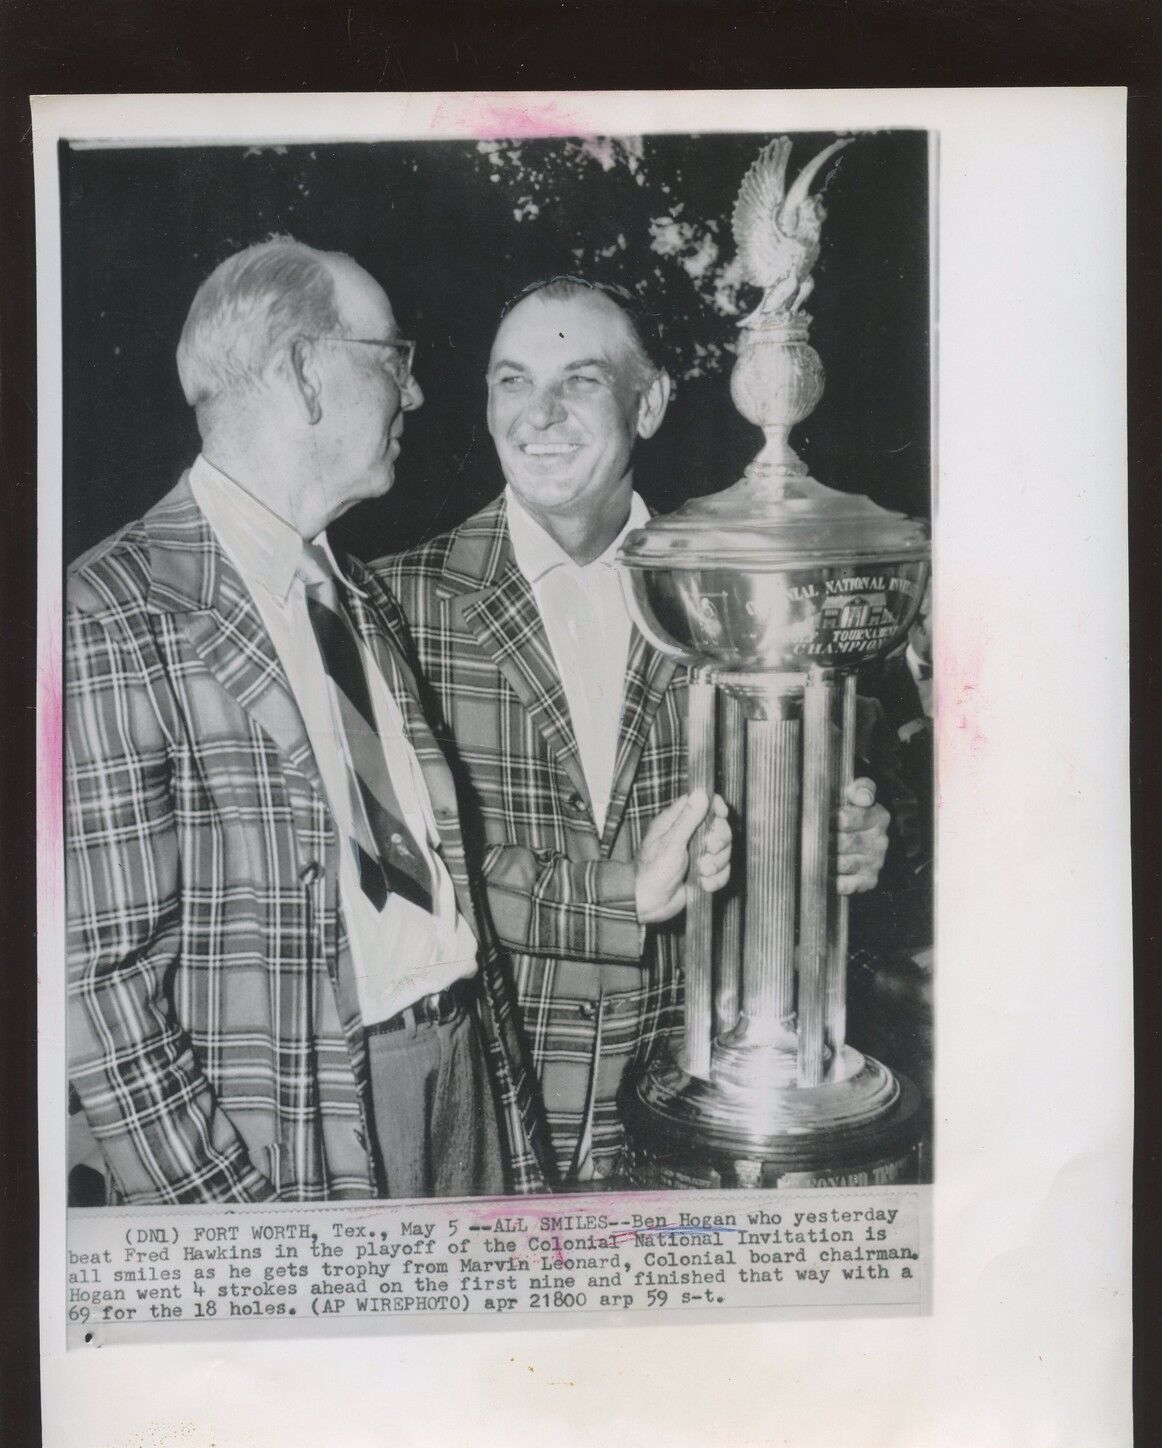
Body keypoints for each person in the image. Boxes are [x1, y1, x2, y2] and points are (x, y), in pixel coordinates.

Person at [66, 237, 556, 1204]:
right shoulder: (110, 610)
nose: (413, 397)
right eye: (393, 360)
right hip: (300, 1133)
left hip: (465, 1080)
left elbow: (431, 871)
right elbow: (98, 988)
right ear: (305, 372)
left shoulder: (353, 594)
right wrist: (230, 1225)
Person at [377, 277, 890, 1185]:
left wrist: (852, 841)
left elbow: (835, 798)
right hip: (489, 1127)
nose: (539, 414)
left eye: (580, 379)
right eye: (511, 381)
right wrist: (623, 896)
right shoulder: (396, 604)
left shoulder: (734, 589)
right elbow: (407, 876)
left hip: (692, 1127)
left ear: (647, 403)